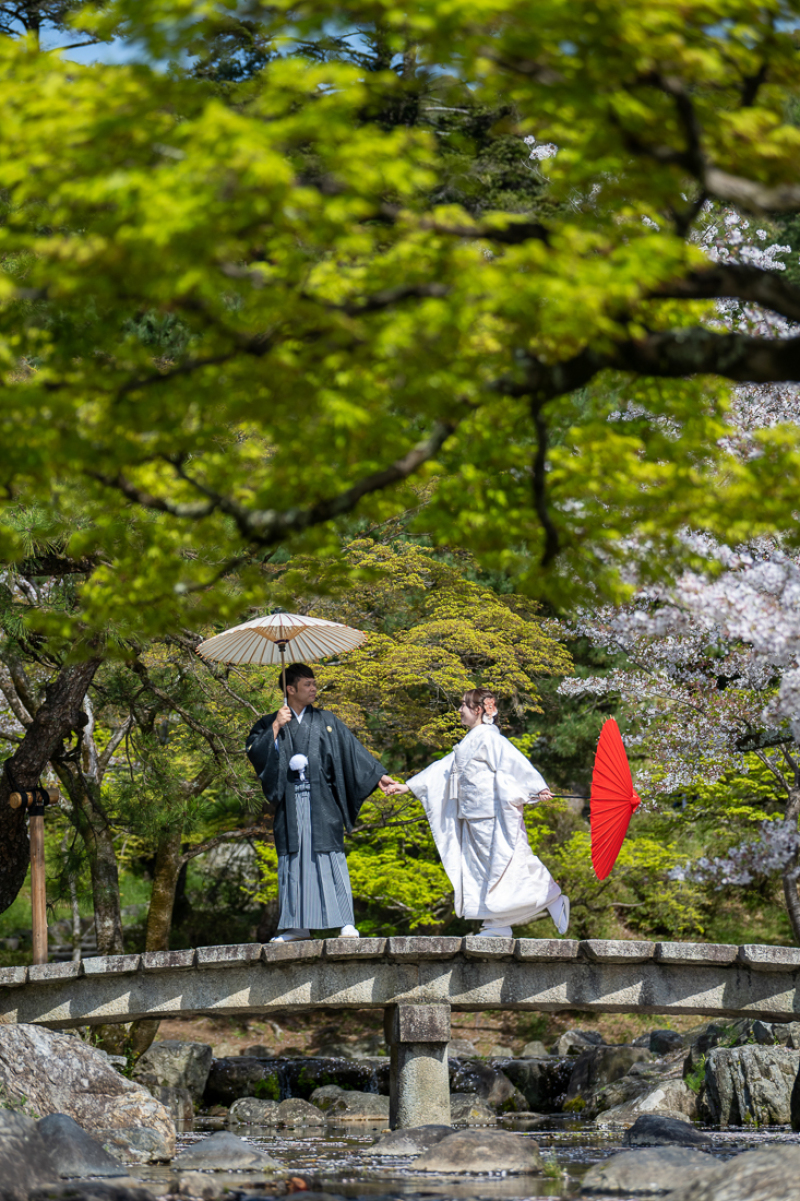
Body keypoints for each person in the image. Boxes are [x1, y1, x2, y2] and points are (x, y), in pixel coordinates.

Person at [388, 688, 569, 937]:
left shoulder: (490, 738)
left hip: (494, 818)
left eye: (464, 705)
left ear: (478, 710)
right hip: (473, 819)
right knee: (481, 872)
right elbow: (443, 769)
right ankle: (497, 924)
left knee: (506, 865)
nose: (460, 710)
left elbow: (513, 763)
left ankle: (550, 896)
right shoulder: (470, 741)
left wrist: (537, 788)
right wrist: (408, 786)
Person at [246, 663, 398, 942]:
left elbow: (353, 751)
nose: (314, 688)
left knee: (329, 858)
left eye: (314, 684)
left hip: (323, 801)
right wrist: (277, 727)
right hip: (290, 804)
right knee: (294, 861)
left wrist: (378, 776)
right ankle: (297, 927)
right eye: (307, 684)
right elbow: (256, 752)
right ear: (290, 689)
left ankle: (345, 922)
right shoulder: (270, 722)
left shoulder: (327, 720)